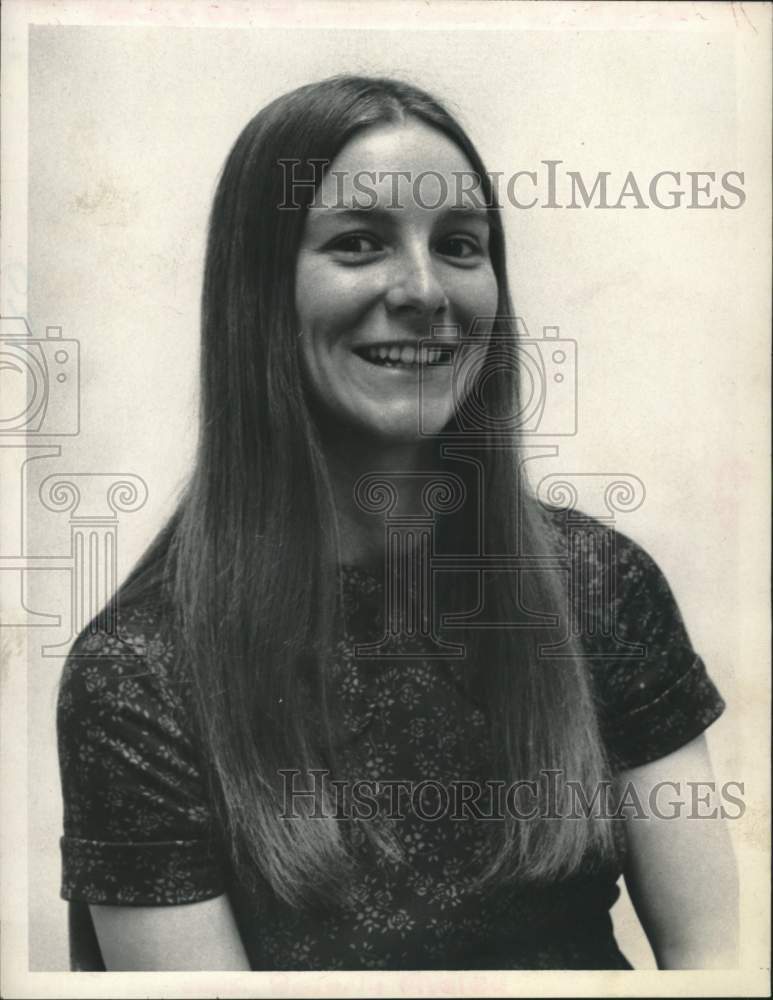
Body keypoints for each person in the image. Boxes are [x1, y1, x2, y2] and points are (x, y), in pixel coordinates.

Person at [57, 75, 737, 971]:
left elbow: (721, 963)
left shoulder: (597, 587)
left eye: (459, 245)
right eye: (358, 243)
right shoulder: (139, 677)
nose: (424, 289)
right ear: (258, 292)